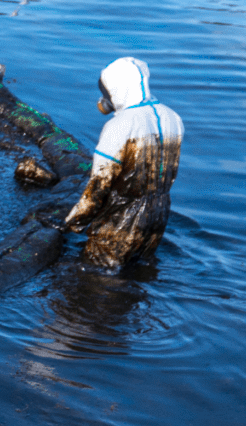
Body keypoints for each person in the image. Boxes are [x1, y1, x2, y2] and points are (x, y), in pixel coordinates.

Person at [62, 57, 184, 272]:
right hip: (159, 213)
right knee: (140, 270)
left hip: (121, 218)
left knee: (99, 276)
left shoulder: (120, 126)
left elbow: (99, 185)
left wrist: (72, 223)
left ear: (117, 89)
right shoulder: (173, 118)